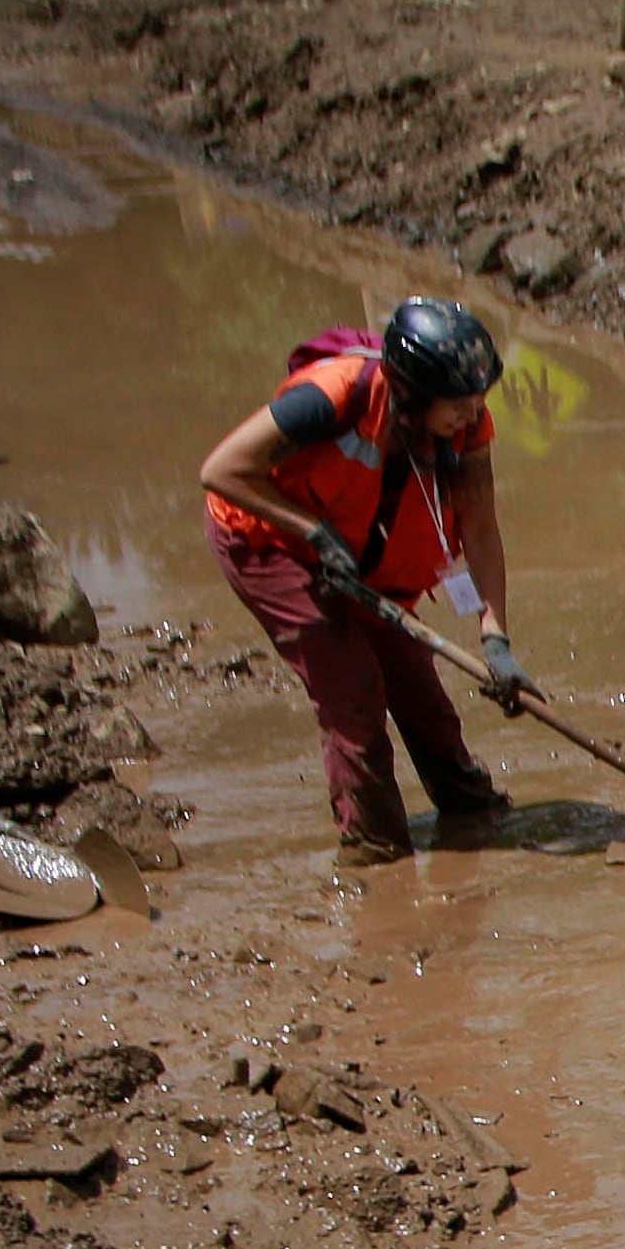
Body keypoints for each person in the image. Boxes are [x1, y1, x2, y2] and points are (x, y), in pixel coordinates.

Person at [197, 298, 525, 867]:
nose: (472, 416)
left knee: (416, 684)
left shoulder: (466, 427)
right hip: (270, 541)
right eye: (458, 404)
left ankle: (471, 813)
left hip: (357, 552)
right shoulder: (333, 395)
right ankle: (375, 854)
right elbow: (221, 470)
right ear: (411, 394)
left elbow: (479, 525)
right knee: (354, 692)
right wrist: (312, 533)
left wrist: (496, 638)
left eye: (479, 401)